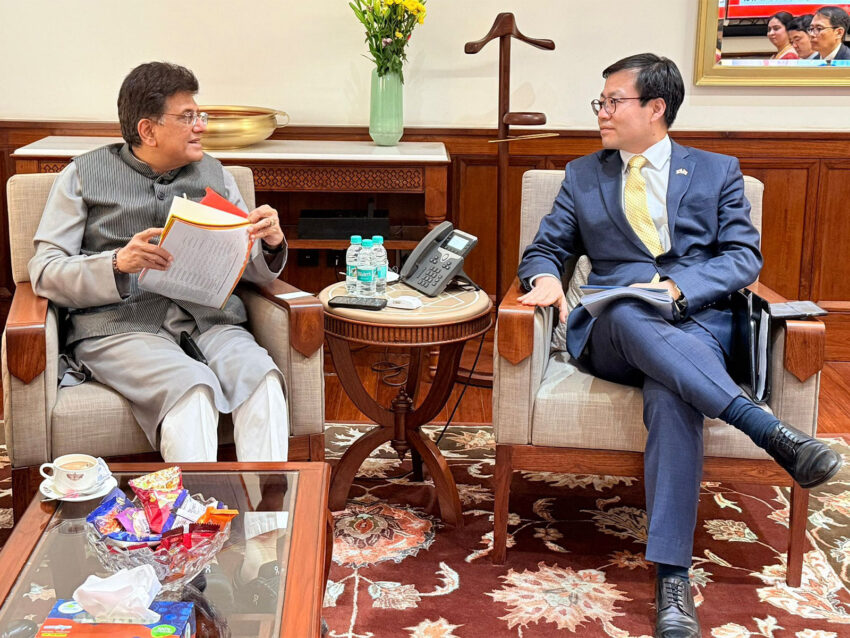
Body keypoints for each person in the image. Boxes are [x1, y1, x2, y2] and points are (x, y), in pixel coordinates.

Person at [517, 53, 842, 638]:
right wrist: (544, 278)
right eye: (601, 102)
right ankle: (764, 428)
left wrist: (676, 288)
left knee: (672, 396)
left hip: (699, 324)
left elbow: (743, 257)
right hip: (614, 331)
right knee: (626, 306)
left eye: (613, 101)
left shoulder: (717, 172)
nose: (601, 112)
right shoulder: (584, 175)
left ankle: (672, 577)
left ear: (656, 108)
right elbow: (547, 249)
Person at [29, 62, 290, 463]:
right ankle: (192, 507)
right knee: (192, 388)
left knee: (262, 379)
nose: (200, 127)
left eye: (200, 115)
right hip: (119, 328)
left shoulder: (216, 175)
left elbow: (248, 269)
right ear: (147, 130)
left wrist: (269, 243)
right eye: (187, 117)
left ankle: (270, 504)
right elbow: (45, 271)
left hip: (209, 322)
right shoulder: (81, 176)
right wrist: (116, 263)